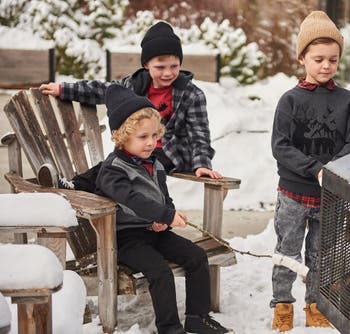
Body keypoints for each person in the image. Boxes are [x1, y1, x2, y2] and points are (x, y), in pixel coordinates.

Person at [95, 84, 232, 334]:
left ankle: (197, 316)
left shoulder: (155, 164)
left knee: (196, 257)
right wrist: (164, 215)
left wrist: (166, 216)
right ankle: (169, 328)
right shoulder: (113, 169)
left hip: (155, 231)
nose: (151, 143)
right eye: (142, 137)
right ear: (121, 136)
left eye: (154, 136)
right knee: (159, 271)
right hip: (125, 239)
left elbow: (163, 197)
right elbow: (132, 199)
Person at [38, 21, 221, 192]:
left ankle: (108, 195)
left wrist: (202, 164)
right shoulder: (133, 86)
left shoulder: (191, 94)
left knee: (125, 167)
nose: (168, 73)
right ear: (146, 64)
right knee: (111, 163)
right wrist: (63, 89)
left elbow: (199, 134)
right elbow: (102, 90)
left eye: (174, 66)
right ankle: (74, 185)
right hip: (135, 147)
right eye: (160, 67)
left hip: (169, 153)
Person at [270, 11, 350, 332]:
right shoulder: (290, 101)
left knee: (322, 253)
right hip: (293, 195)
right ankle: (282, 304)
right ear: (302, 58)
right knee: (287, 251)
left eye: (333, 59)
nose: (326, 66)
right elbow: (281, 146)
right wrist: (315, 169)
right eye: (318, 59)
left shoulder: (347, 101)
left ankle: (316, 303)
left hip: (331, 196)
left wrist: (333, 171)